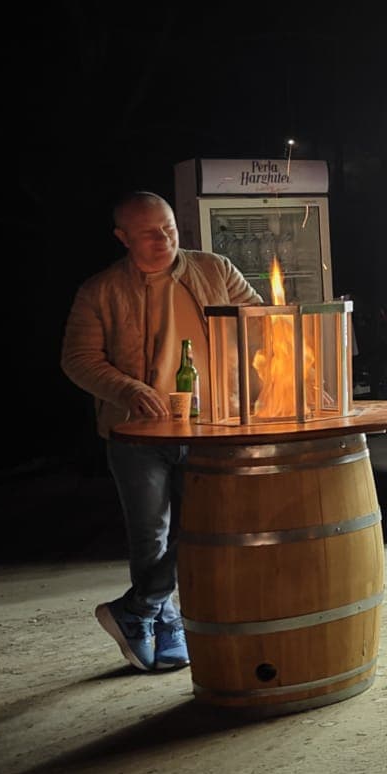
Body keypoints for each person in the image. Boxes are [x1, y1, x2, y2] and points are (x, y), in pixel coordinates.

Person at [60, 190, 262, 672]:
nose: (163, 239)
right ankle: (164, 623)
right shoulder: (100, 290)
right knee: (149, 535)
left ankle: (137, 609)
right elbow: (77, 359)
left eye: (169, 228)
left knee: (205, 526)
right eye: (149, 233)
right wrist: (127, 389)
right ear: (122, 237)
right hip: (138, 434)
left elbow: (259, 321)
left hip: (210, 425)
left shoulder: (215, 269)